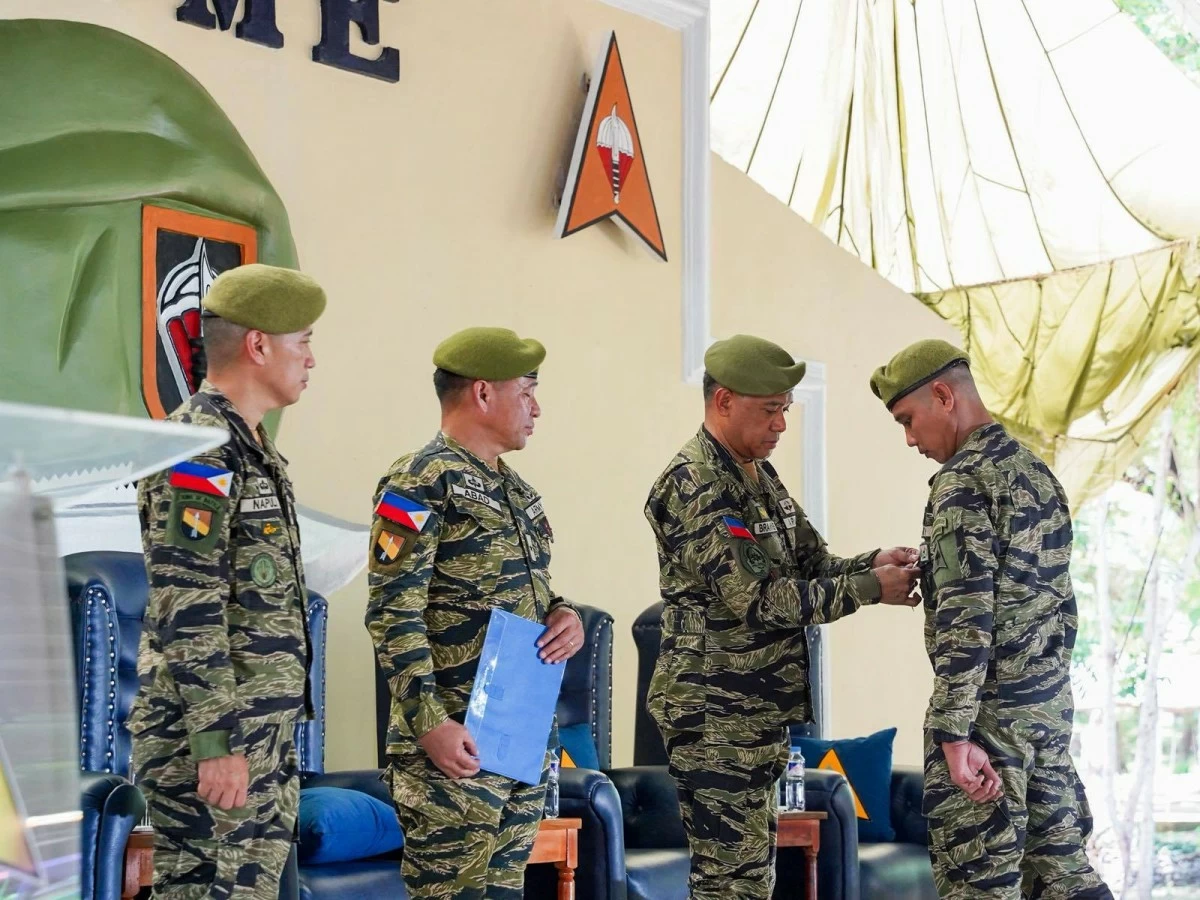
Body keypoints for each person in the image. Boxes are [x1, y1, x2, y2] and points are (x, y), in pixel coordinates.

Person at [645, 333, 922, 898]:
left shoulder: (756, 474)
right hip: (713, 715)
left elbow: (812, 564)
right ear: (723, 401)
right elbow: (759, 601)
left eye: (786, 411)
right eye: (769, 411)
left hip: (754, 710)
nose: (781, 426)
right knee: (729, 884)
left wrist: (873, 562)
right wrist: (871, 588)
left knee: (751, 878)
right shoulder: (695, 484)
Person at [870, 338, 1113, 899]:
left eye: (909, 420)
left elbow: (968, 623)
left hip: (988, 726)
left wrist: (954, 735)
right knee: (1062, 876)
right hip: (1047, 716)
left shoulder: (961, 486)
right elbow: (1052, 604)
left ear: (942, 396)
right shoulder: (1036, 474)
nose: (910, 439)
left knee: (981, 885)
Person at [365, 326, 584, 899]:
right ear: (483, 394)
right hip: (453, 743)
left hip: (517, 737)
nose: (537, 407)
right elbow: (392, 610)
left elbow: (521, 592)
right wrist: (430, 723)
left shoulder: (519, 492)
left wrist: (565, 615)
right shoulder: (419, 480)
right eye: (527, 390)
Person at [130, 263, 325, 898]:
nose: (311, 360)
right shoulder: (199, 448)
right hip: (212, 745)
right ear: (258, 344)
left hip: (259, 742)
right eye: (303, 342)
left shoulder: (252, 449)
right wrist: (217, 743)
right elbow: (187, 602)